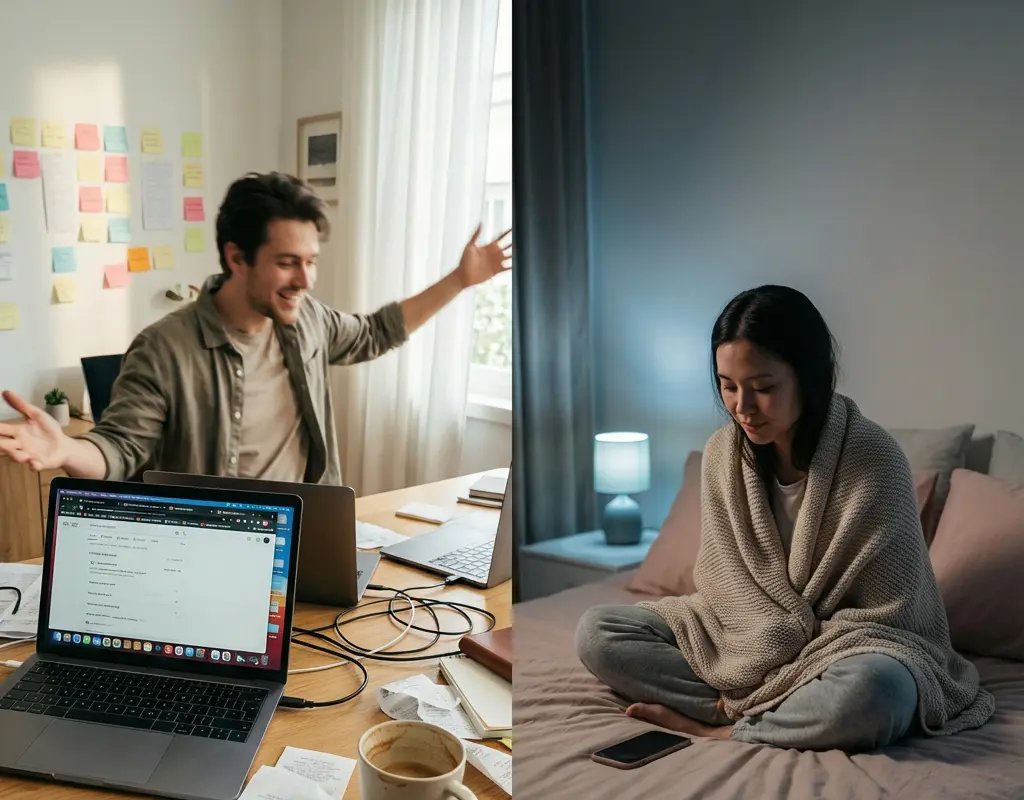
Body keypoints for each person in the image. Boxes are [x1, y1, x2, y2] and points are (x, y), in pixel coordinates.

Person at [575, 285, 993, 752]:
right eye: (728, 386)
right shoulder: (722, 455)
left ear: (808, 377)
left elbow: (892, 613)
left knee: (880, 690)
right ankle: (747, 709)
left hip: (846, 647)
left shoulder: (875, 459)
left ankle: (725, 726)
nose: (742, 407)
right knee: (598, 632)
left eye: (763, 388)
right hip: (741, 633)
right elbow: (725, 585)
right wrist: (766, 639)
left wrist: (797, 647)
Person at [0, 171, 511, 484]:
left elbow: (376, 332)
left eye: (311, 262)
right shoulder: (163, 349)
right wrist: (66, 449)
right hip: (208, 548)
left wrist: (460, 280)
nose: (305, 280)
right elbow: (120, 449)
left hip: (304, 542)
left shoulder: (309, 321)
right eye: (288, 263)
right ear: (236, 258)